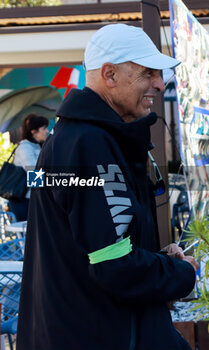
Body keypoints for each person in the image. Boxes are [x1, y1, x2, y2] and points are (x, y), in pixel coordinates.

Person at [17, 24, 199, 350]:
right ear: (110, 75)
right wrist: (181, 272)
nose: (159, 83)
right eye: (147, 73)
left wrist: (159, 259)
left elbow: (96, 250)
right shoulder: (89, 144)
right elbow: (114, 268)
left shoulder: (81, 138)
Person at [8, 114, 49, 221]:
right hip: (22, 199)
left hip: (32, 197)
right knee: (27, 233)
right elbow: (34, 173)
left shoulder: (37, 146)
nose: (47, 131)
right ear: (33, 131)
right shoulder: (25, 148)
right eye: (44, 128)